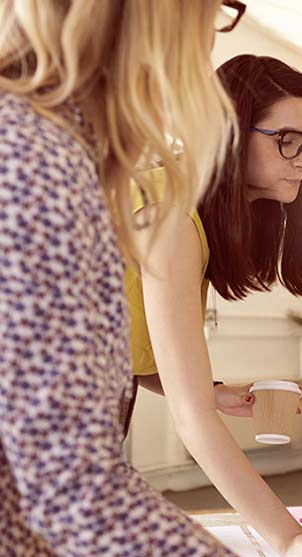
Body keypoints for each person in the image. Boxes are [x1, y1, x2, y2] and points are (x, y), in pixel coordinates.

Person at [0, 1, 240, 555]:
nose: (211, 38)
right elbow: (75, 489)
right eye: (213, 10)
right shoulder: (36, 163)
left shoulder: (51, 152)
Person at [125, 54, 302, 556]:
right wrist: (291, 539)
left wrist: (210, 391)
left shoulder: (184, 212)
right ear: (231, 132)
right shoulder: (171, 218)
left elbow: (123, 351)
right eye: (288, 140)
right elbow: (192, 421)